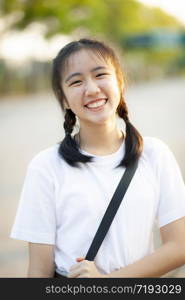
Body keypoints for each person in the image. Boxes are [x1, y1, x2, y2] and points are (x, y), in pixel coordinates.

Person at [10, 38, 185, 278]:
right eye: (76, 81)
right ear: (64, 100)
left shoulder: (155, 154)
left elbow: (179, 247)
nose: (91, 89)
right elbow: (39, 271)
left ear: (120, 82)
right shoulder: (46, 166)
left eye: (100, 74)